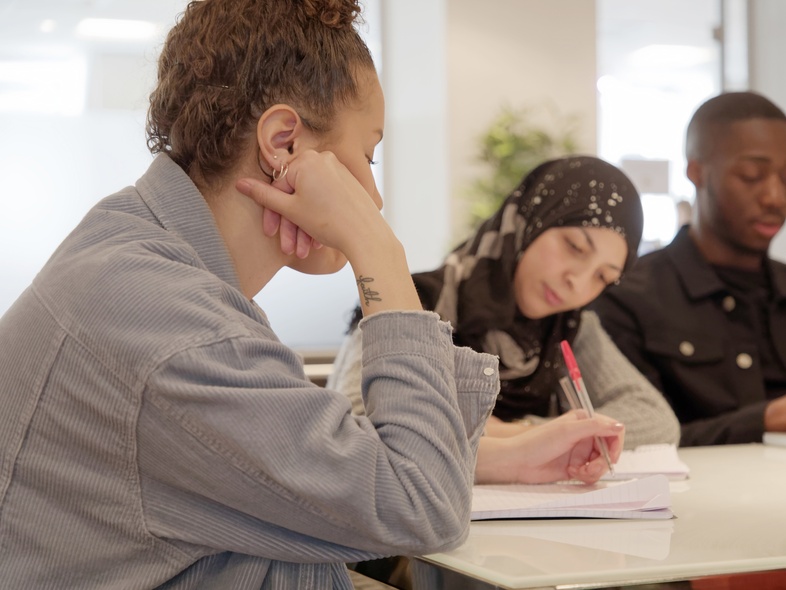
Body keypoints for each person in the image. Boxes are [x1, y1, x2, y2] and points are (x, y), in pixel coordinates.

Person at [0, 1, 626, 588]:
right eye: (368, 156)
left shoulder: (132, 248)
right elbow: (421, 509)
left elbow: (289, 466)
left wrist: (505, 461)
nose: (373, 201)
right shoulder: (176, 328)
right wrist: (379, 252)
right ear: (285, 145)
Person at [330, 155, 680, 456]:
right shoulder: (411, 300)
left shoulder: (570, 328)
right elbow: (356, 426)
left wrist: (527, 432)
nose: (578, 282)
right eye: (574, 246)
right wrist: (529, 443)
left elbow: (657, 422)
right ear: (528, 220)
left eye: (603, 277)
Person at [591, 91, 786, 446]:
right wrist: (761, 421)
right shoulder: (627, 298)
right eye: (752, 176)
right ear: (696, 171)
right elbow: (623, 438)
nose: (775, 197)